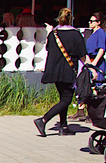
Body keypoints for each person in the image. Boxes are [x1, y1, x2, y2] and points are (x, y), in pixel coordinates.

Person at [34, 8, 85, 137]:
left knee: (63, 97)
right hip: (68, 70)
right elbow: (82, 53)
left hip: (55, 71)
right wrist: (89, 67)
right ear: (71, 19)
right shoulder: (76, 34)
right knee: (67, 99)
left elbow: (48, 48)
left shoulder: (53, 34)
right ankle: (43, 120)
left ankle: (63, 126)